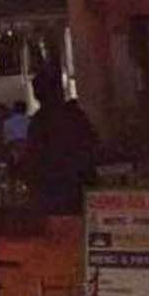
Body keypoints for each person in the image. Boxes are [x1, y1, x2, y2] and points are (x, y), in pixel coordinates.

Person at [16, 71, 95, 214]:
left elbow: (34, 156)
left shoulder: (40, 121)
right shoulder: (74, 115)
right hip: (76, 184)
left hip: (55, 188)